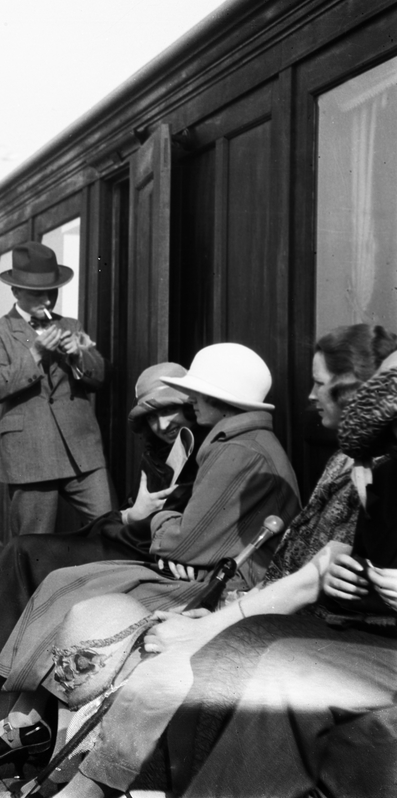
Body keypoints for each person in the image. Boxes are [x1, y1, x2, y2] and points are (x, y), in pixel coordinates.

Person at [39, 323, 397, 798]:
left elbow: (186, 541)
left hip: (279, 603)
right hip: (266, 597)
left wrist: (163, 527)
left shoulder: (248, 452)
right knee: (75, 587)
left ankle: (78, 777)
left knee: (142, 637)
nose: (310, 394)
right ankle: (59, 760)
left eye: (318, 381)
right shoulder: (334, 460)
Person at [0, 342, 304, 780]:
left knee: (78, 590)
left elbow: (183, 542)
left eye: (196, 394)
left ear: (221, 399)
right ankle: (23, 722)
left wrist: (161, 521)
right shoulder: (237, 443)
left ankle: (27, 726)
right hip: (209, 569)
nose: (191, 402)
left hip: (226, 585)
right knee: (66, 577)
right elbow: (191, 536)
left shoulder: (239, 452)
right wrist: (176, 530)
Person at [0, 363, 200, 715]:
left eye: (169, 410)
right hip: (129, 536)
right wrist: (131, 516)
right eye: (152, 416)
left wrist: (139, 521)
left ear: (191, 403)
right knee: (22, 551)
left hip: (141, 551)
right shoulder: (162, 448)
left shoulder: (202, 449)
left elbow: (192, 523)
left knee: (25, 555)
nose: (162, 425)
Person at [0, 241, 111, 535]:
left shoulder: (72, 326)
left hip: (81, 450)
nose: (48, 301)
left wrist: (79, 354)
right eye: (38, 293)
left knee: (108, 527)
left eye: (52, 292)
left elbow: (99, 377)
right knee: (33, 543)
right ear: (15, 291)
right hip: (31, 453)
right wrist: (35, 353)